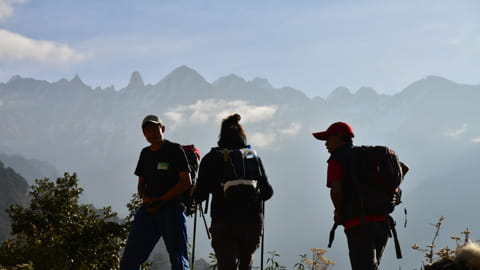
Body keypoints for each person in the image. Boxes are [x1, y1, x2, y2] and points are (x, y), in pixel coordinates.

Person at [194, 113, 273, 270]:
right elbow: (267, 192)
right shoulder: (252, 157)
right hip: (252, 222)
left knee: (226, 266)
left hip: (223, 221)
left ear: (221, 135)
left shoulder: (211, 158)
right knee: (246, 265)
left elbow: (200, 195)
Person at [312, 121, 390, 270]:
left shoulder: (336, 159)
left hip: (357, 223)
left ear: (339, 137)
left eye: (328, 138)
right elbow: (404, 168)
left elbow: (336, 191)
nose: (325, 143)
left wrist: (339, 213)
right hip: (382, 222)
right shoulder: (368, 156)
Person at [120, 114, 192, 270]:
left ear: (163, 128)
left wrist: (163, 198)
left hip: (172, 210)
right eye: (147, 130)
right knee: (130, 259)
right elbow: (141, 183)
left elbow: (186, 181)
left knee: (178, 259)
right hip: (148, 211)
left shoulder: (174, 149)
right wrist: (144, 197)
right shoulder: (145, 153)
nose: (151, 133)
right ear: (144, 134)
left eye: (154, 128)